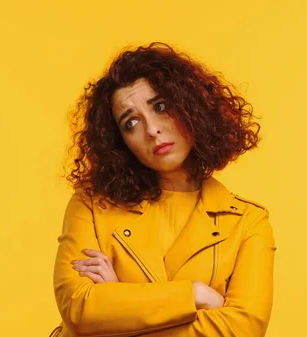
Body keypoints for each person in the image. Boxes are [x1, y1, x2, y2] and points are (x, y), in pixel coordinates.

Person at [50, 42, 276, 337]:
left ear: (191, 107)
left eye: (160, 107)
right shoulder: (91, 205)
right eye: (131, 122)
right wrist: (194, 295)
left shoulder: (248, 222)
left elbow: (242, 329)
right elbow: (80, 310)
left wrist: (117, 307)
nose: (152, 129)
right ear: (120, 141)